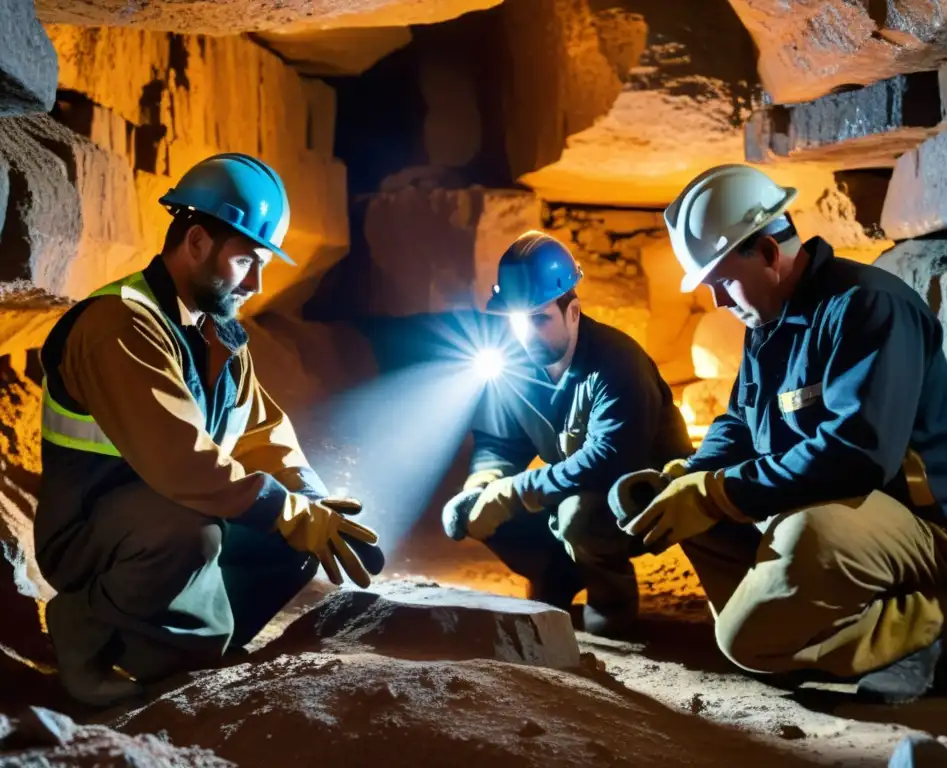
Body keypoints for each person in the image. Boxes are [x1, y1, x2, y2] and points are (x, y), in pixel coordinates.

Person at [611, 163, 947, 704]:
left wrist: (719, 491)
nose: (717, 302)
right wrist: (688, 478)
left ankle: (929, 618)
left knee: (753, 624)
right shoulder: (767, 320)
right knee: (701, 521)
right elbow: (739, 421)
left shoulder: (866, 306)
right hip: (819, 509)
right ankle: (795, 634)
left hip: (916, 525)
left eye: (722, 282)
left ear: (767, 252)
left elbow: (857, 454)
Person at [35, 153, 384, 708]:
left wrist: (313, 503)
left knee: (291, 533)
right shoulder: (120, 324)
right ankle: (85, 628)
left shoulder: (217, 333)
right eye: (248, 261)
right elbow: (182, 462)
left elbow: (263, 433)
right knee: (196, 529)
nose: (259, 281)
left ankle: (186, 655)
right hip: (94, 531)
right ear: (196, 243)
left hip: (165, 512)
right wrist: (288, 512)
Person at [442, 230, 693, 636]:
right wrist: (483, 483)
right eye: (517, 322)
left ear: (572, 312)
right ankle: (555, 575)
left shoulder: (617, 363)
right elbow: (499, 442)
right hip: (578, 488)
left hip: (641, 497)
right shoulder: (512, 365)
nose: (526, 336)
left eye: (539, 319)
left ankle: (611, 597)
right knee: (481, 508)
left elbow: (608, 462)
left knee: (577, 513)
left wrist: (513, 492)